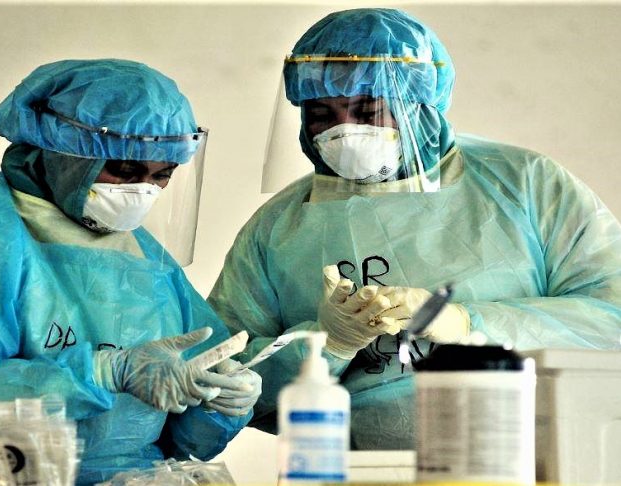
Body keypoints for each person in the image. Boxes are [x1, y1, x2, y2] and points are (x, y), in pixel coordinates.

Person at [208, 8, 621, 450]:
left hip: (529, 458)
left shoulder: (524, 185)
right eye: (321, 114)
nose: (344, 131)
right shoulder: (280, 226)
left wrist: (467, 323)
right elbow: (221, 381)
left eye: (369, 110)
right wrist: (326, 345)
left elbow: (610, 319)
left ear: (420, 106)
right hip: (356, 468)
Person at [0, 59, 261, 484]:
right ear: (66, 153)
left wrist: (217, 401)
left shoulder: (143, 256)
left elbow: (179, 437)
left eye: (162, 175)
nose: (142, 191)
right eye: (126, 171)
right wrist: (101, 373)